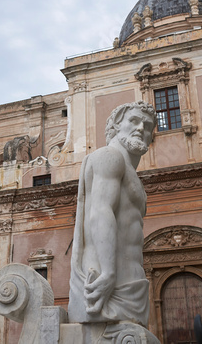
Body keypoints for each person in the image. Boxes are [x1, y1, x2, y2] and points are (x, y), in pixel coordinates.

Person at [68, 100, 157, 327]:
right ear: (116, 127)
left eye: (147, 126)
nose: (141, 129)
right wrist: (108, 273)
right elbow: (100, 211)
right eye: (134, 121)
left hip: (129, 280)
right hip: (106, 279)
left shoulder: (132, 174)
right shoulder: (109, 157)